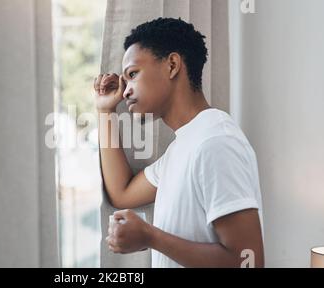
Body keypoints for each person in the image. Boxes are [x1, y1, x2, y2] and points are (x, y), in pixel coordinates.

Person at [94, 17, 264, 268]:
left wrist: (150, 236)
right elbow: (122, 193)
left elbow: (248, 262)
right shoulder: (181, 147)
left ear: (172, 65)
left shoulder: (216, 142)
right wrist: (105, 112)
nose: (125, 91)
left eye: (132, 74)